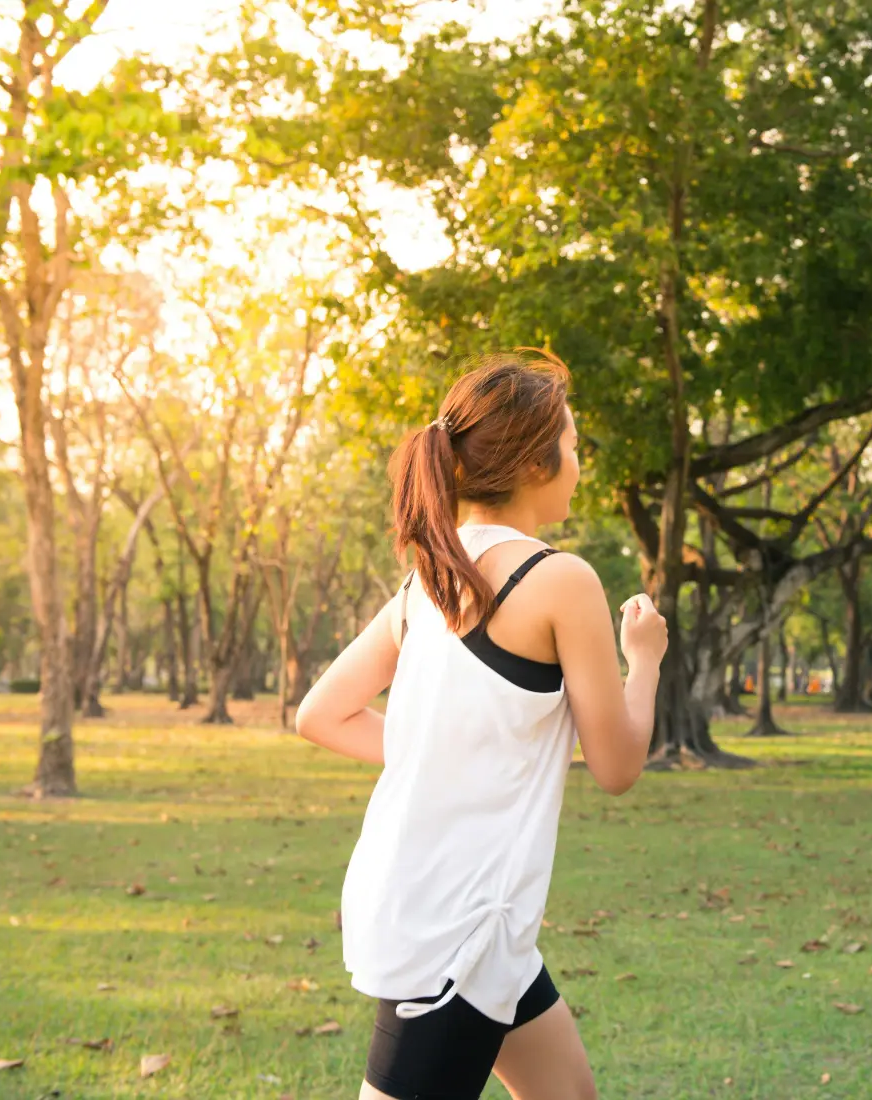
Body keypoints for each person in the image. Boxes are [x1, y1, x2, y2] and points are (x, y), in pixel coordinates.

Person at [295, 350, 668, 1100]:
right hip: (455, 932)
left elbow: (321, 714)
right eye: (571, 446)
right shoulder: (561, 580)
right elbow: (619, 764)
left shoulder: (427, 580)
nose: (578, 465)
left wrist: (442, 755)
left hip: (473, 920)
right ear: (534, 462)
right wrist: (645, 658)